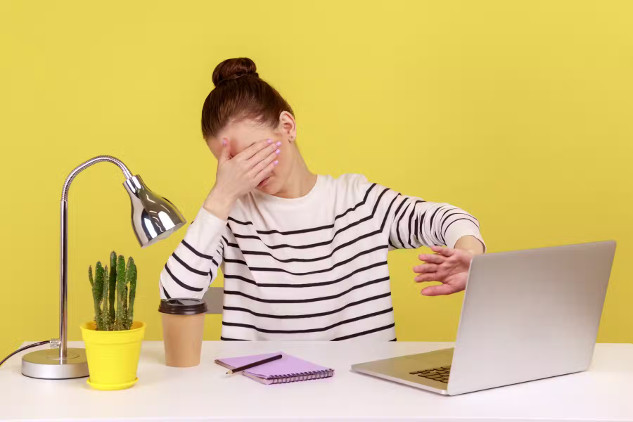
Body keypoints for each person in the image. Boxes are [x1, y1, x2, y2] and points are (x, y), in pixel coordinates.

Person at [159, 57, 486, 341]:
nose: (249, 174)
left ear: (287, 126)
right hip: (260, 399)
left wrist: (470, 253)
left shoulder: (356, 200)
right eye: (230, 165)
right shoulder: (230, 216)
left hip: (359, 396)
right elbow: (175, 296)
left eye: (253, 154)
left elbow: (444, 218)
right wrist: (221, 196)